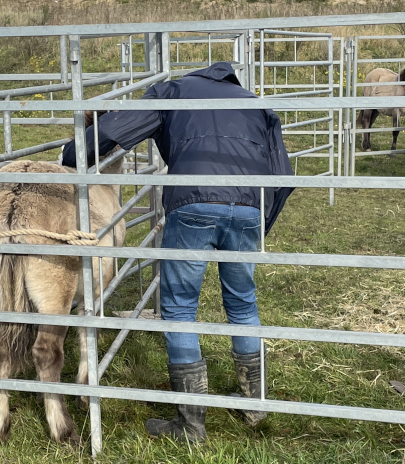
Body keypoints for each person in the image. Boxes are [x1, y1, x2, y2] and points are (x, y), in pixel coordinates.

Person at [61, 60, 293, 443]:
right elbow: (283, 176)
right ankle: (255, 404)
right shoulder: (255, 103)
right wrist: (258, 223)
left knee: (181, 307)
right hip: (250, 206)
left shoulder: (173, 91)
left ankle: (190, 423)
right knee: (243, 303)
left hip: (193, 203)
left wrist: (73, 154)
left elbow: (116, 130)